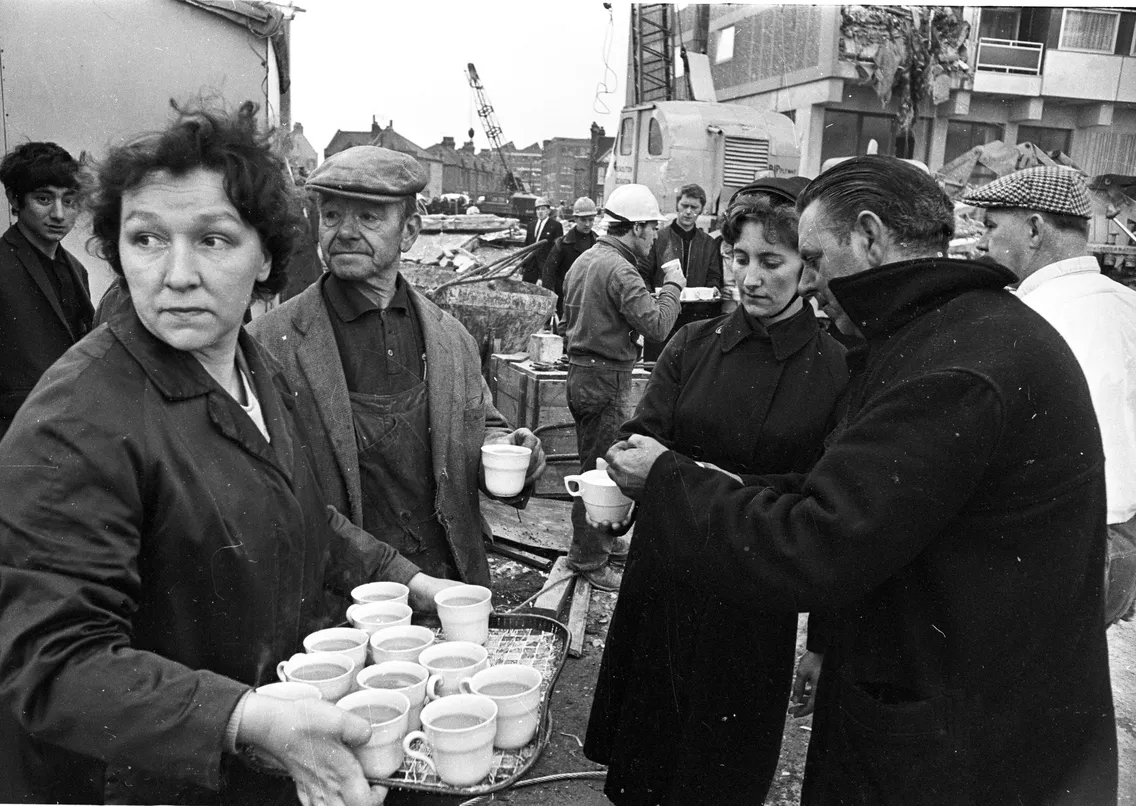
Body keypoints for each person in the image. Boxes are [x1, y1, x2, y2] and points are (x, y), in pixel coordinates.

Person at [599, 156, 1116, 804]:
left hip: (962, 750)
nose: (806, 283)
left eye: (810, 257)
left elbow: (821, 538)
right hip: (960, 720)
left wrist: (674, 482)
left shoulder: (953, 365)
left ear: (870, 238)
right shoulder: (950, 334)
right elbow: (850, 490)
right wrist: (720, 481)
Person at [0, 103, 457, 806]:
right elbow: (53, 662)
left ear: (267, 256)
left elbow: (297, 510)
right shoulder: (77, 420)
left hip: (253, 765)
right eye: (146, 238)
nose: (176, 274)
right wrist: (242, 717)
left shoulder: (253, 367)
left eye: (213, 240)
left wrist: (409, 580)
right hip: (148, 785)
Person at [585, 188, 848, 805]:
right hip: (664, 579)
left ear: (807, 266)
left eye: (772, 261)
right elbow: (637, 439)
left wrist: (823, 643)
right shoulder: (692, 344)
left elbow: (828, 503)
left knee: (719, 771)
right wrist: (623, 482)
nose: (750, 278)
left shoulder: (837, 367)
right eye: (738, 257)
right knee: (644, 759)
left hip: (752, 597)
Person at [249, 146, 545, 587]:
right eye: (331, 215)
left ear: (409, 232)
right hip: (343, 600)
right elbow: (271, 500)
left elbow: (480, 424)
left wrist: (511, 448)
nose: (344, 232)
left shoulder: (450, 337)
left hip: (450, 582)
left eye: (368, 218)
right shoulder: (271, 344)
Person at [966, 166, 1136, 626]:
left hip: (1054, 541)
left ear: (1036, 229)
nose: (982, 242)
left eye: (991, 226)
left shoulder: (1030, 317)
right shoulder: (1126, 304)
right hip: (1122, 541)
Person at [560, 183, 686, 590]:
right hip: (605, 378)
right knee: (601, 470)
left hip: (582, 374)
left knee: (594, 461)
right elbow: (659, 326)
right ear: (632, 228)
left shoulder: (585, 260)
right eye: (650, 230)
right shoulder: (620, 269)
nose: (654, 238)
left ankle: (601, 543)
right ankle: (589, 558)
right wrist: (673, 287)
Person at [0, 141, 93, 439]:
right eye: (44, 199)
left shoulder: (77, 269)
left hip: (68, 431)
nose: (58, 214)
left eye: (69, 201)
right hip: (12, 434)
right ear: (14, 198)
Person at [638, 183, 723, 359]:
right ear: (677, 205)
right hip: (662, 315)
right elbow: (643, 274)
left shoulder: (708, 243)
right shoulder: (658, 238)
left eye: (694, 207)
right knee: (658, 368)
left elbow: (714, 276)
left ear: (701, 210)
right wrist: (650, 297)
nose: (688, 211)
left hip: (696, 318)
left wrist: (713, 288)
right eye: (685, 206)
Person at [542, 195, 598, 324]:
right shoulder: (562, 244)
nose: (587, 224)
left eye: (591, 219)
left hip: (590, 301)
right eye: (583, 220)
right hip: (566, 301)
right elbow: (548, 273)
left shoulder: (598, 243)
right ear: (576, 219)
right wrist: (551, 302)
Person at [520, 196, 562, 283]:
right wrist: (522, 264)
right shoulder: (531, 225)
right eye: (538, 209)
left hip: (545, 265)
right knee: (527, 289)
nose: (540, 212)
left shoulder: (556, 226)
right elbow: (527, 245)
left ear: (548, 211)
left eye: (543, 209)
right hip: (530, 265)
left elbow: (558, 249)